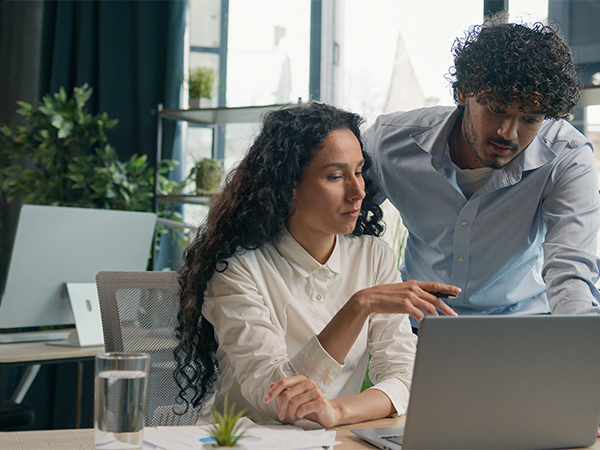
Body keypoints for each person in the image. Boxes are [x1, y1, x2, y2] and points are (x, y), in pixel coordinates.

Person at [363, 15, 600, 438]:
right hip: (415, 339)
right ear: (462, 93)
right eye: (496, 109)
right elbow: (336, 217)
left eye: (530, 118)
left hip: (522, 341)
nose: (509, 132)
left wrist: (580, 387)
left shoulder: (566, 155)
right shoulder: (390, 142)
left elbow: (571, 272)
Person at [173, 102, 459, 428]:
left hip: (330, 438)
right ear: (288, 187)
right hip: (242, 441)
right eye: (335, 176)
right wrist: (358, 307)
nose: (358, 191)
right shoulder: (238, 270)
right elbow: (277, 399)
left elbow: (404, 374)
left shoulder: (373, 256)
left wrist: (337, 412)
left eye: (359, 171)